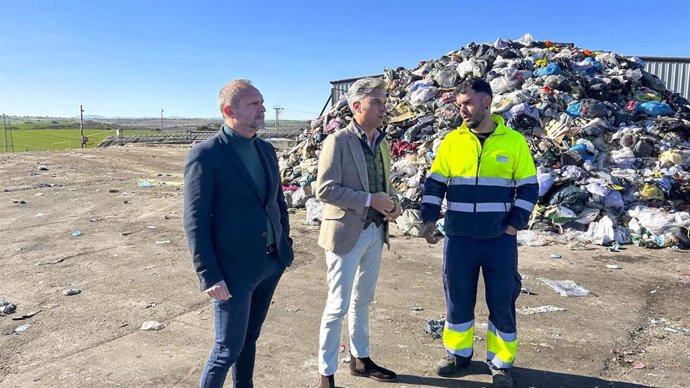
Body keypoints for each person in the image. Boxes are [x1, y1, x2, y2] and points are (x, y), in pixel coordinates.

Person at [420, 77, 538, 388]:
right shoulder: (452, 142)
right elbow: (435, 185)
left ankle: (500, 364)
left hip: (499, 240)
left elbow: (529, 187)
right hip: (459, 239)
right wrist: (429, 220)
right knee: (458, 299)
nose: (463, 110)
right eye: (459, 105)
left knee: (501, 300)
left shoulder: (513, 142)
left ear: (487, 101)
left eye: (468, 103)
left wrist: (515, 224)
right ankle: (458, 355)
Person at [183, 79, 294, 388]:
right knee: (226, 349)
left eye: (262, 102)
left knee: (250, 338)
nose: (263, 108)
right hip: (233, 271)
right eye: (254, 104)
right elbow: (195, 221)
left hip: (272, 262)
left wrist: (286, 242)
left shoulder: (266, 149)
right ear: (229, 110)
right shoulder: (206, 155)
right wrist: (208, 273)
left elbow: (277, 201)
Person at [315, 78, 402, 388]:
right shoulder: (337, 141)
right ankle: (326, 374)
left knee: (362, 300)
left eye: (384, 102)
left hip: (376, 231)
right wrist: (369, 200)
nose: (384, 108)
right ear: (356, 106)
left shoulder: (382, 143)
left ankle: (360, 359)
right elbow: (325, 189)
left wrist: (394, 204)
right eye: (377, 102)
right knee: (337, 305)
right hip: (345, 233)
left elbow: (385, 185)